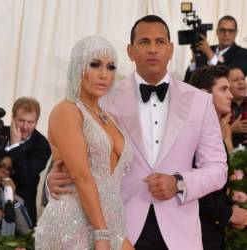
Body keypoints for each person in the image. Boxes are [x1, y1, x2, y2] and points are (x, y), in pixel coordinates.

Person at [48, 15, 228, 250]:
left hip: (181, 234)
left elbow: (217, 168)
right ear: (130, 51)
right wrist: (54, 180)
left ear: (171, 49)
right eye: (144, 42)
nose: (153, 49)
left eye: (160, 42)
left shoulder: (200, 102)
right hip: (119, 230)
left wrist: (179, 183)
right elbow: (74, 159)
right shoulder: (102, 100)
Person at [35, 36, 134, 250]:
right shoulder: (67, 110)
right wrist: (101, 233)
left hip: (112, 224)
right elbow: (81, 176)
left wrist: (105, 231)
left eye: (110, 67)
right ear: (78, 66)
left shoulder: (108, 117)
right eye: (95, 64)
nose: (103, 75)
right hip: (73, 224)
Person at [190, 65, 247, 250]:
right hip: (196, 235)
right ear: (204, 94)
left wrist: (234, 208)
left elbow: (215, 191)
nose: (230, 96)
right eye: (223, 89)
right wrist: (230, 213)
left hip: (212, 233)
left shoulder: (214, 132)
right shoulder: (193, 134)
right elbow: (195, 195)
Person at [6, 97, 51, 226]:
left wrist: (15, 146)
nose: (25, 127)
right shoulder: (0, 133)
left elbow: (25, 177)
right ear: (13, 118)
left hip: (22, 210)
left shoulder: (42, 145)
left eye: (30, 122)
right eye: (21, 120)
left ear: (36, 122)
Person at [184, 15, 247, 82]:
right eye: (222, 30)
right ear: (217, 31)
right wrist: (194, 59)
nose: (226, 34)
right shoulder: (205, 49)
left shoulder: (243, 54)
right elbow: (188, 80)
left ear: (236, 33)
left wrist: (209, 53)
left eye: (231, 31)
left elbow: (229, 76)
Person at [227, 67, 247, 147]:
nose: (241, 82)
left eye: (243, 79)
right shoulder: (220, 106)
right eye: (235, 80)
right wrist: (231, 129)